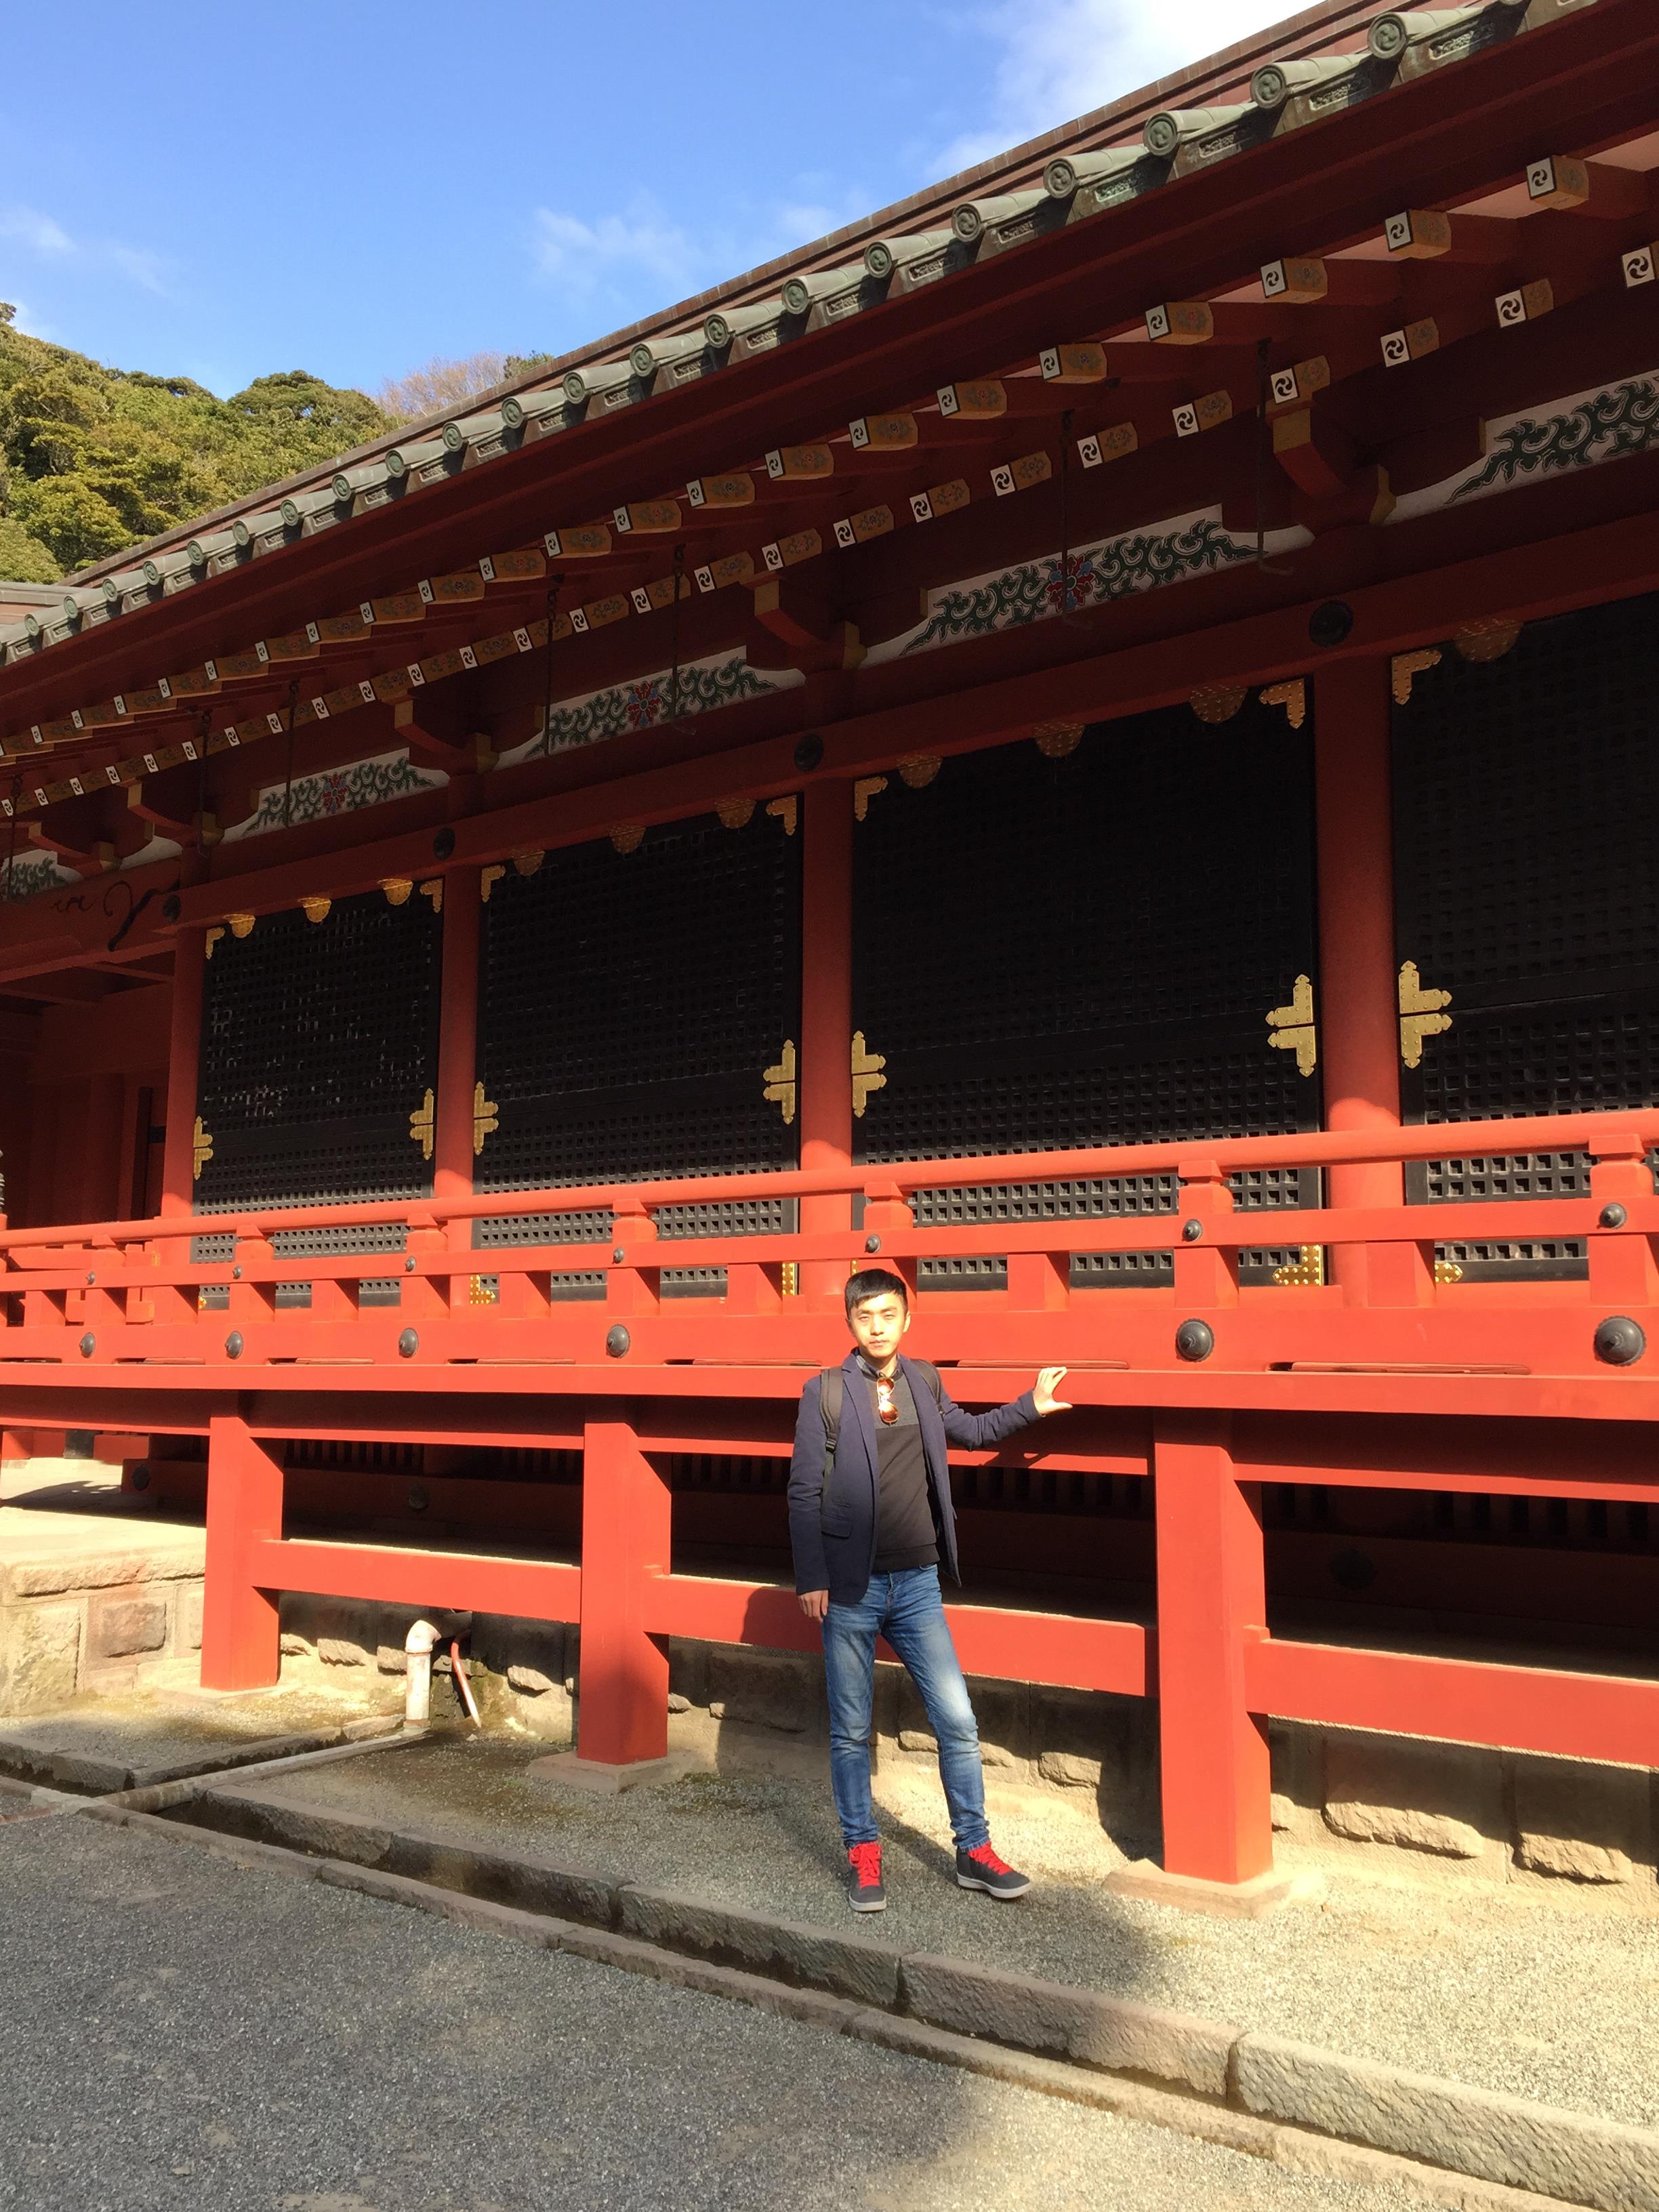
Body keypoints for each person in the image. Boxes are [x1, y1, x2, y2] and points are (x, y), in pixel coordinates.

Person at [787, 1266, 1070, 1912]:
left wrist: (1031, 1406)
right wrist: (813, 1577)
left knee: (959, 1721)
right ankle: (863, 1854)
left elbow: (968, 1432)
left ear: (907, 1319)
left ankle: (974, 1850)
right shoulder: (825, 1392)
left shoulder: (924, 1379)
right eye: (866, 1316)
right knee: (852, 1731)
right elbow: (804, 1488)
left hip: (916, 1582)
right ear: (851, 1323)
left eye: (889, 1315)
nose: (878, 1326)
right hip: (851, 1587)